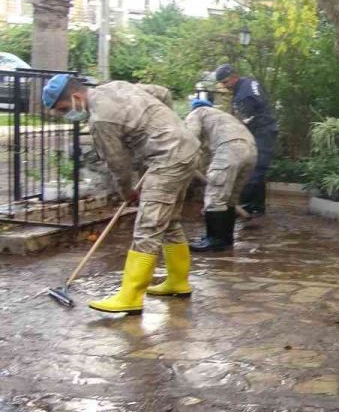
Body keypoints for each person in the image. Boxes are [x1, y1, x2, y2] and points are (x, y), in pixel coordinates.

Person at [43, 75, 201, 313]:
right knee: (169, 222)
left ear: (76, 97)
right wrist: (170, 125)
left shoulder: (100, 121)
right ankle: (178, 282)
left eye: (64, 109)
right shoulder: (118, 86)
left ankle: (130, 296)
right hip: (186, 149)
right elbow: (162, 92)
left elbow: (118, 164)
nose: (66, 114)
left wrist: (128, 192)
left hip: (167, 158)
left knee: (148, 227)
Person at [183, 98, 258, 251]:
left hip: (229, 150)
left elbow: (190, 139)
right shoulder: (223, 117)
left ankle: (213, 240)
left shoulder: (197, 113)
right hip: (251, 151)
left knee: (215, 197)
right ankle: (225, 239)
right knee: (229, 199)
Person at [212, 63, 276, 216]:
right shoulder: (248, 83)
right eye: (221, 83)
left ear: (234, 77)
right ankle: (257, 207)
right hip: (263, 129)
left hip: (262, 132)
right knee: (257, 170)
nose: (224, 86)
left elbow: (243, 121)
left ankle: (246, 205)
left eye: (225, 82)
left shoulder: (245, 95)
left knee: (254, 169)